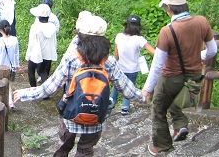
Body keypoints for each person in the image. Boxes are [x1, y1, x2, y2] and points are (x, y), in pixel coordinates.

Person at [14, 13, 144, 157]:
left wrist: (24, 94)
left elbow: (48, 88)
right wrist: (145, 96)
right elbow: (127, 90)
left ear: (80, 37)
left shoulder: (72, 59)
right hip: (95, 118)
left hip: (70, 115)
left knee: (63, 147)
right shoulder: (109, 62)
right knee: (86, 150)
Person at [143, 0, 218, 155]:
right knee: (173, 101)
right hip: (195, 76)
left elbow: (157, 65)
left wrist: (147, 89)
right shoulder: (202, 22)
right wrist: (196, 56)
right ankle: (180, 126)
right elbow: (213, 51)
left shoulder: (167, 31)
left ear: (168, 8)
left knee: (158, 108)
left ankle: (162, 146)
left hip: (171, 77)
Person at [109, 14, 155, 116]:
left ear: (126, 25)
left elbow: (116, 55)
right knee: (129, 87)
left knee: (117, 85)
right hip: (133, 69)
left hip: (120, 68)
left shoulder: (119, 37)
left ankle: (111, 101)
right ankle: (125, 107)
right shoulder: (139, 39)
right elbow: (153, 52)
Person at [0, 20, 20, 109]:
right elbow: (16, 54)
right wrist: (17, 65)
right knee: (9, 85)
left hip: (0, 68)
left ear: (0, 30)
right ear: (10, 28)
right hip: (11, 67)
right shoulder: (15, 40)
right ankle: (10, 102)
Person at [25, 3, 58, 88]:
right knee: (43, 72)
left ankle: (34, 89)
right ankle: (45, 92)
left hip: (36, 53)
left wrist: (28, 55)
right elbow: (54, 41)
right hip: (48, 53)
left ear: (39, 16)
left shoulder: (35, 27)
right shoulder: (52, 27)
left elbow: (31, 43)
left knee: (31, 70)